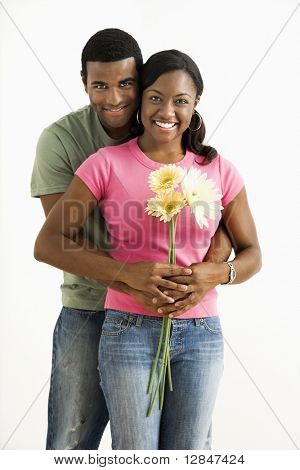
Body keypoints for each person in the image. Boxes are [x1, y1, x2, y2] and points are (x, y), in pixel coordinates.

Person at [31, 31, 233, 450]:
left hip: (177, 314)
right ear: (84, 83)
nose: (115, 98)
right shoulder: (70, 144)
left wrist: (211, 265)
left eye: (126, 84)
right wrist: (129, 277)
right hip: (91, 304)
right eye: (100, 85)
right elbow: (57, 237)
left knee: (189, 445)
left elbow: (217, 210)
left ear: (142, 84)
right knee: (74, 439)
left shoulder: (178, 143)